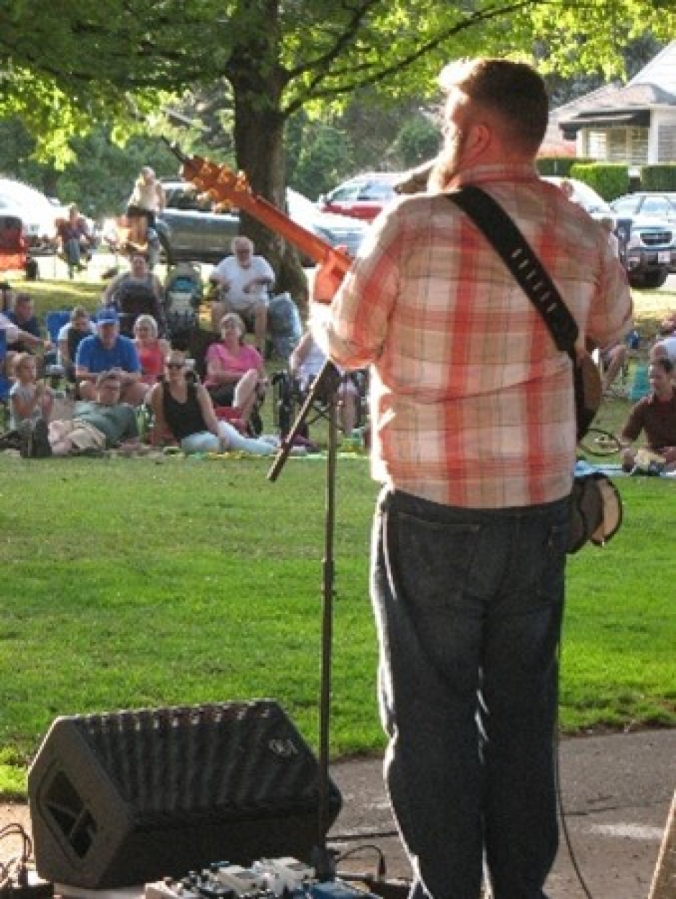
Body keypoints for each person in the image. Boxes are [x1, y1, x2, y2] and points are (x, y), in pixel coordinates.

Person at [311, 57, 633, 899]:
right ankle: (518, 891)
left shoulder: (410, 224)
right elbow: (611, 327)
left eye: (450, 119)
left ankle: (446, 889)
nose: (442, 133)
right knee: (523, 720)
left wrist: (322, 298)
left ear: (478, 131)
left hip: (429, 511)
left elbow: (347, 343)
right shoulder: (580, 229)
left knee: (429, 719)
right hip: (534, 512)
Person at [148, 349, 275, 456]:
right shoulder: (159, 391)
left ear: (185, 369)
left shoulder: (198, 389)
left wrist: (220, 433)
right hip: (188, 437)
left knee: (238, 442)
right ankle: (267, 444)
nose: (173, 370)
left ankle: (278, 450)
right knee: (214, 445)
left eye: (178, 366)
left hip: (211, 428)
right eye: (170, 366)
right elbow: (159, 421)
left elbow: (211, 419)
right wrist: (155, 446)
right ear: (164, 368)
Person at [19, 370, 140, 458]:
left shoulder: (125, 410)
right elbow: (57, 412)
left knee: (73, 437)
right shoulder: (83, 404)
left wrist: (127, 448)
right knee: (56, 425)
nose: (113, 392)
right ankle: (41, 444)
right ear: (97, 388)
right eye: (108, 388)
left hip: (96, 432)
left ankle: (47, 451)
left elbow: (134, 441)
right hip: (74, 423)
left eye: (116, 389)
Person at [208, 236, 274, 353]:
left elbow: (269, 277)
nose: (243, 255)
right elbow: (213, 275)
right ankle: (220, 344)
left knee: (261, 308)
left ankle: (258, 347)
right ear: (235, 252)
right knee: (216, 307)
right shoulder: (228, 262)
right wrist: (222, 282)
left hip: (252, 305)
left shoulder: (259, 261)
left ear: (251, 251)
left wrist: (254, 281)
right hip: (231, 304)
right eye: (240, 252)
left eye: (246, 251)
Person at [288, 328, 359, 435]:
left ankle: (348, 436)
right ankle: (299, 432)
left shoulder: (346, 336)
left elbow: (354, 360)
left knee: (348, 393)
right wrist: (295, 369)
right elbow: (296, 355)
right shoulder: (314, 333)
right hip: (312, 377)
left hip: (338, 377)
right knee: (318, 383)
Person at [204, 312, 266, 427]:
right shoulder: (215, 349)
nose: (228, 330)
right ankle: (238, 416)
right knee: (252, 378)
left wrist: (260, 383)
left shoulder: (251, 351)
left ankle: (239, 422)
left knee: (253, 386)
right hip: (218, 388)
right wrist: (244, 377)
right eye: (225, 327)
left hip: (247, 388)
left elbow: (263, 377)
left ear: (241, 331)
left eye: (232, 326)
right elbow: (215, 374)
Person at [75, 308, 147, 405]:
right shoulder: (86, 344)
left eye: (111, 326)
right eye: (104, 327)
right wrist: (103, 376)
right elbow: (79, 373)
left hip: (121, 386)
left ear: (118, 328)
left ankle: (122, 413)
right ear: (97, 328)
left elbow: (137, 374)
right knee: (84, 386)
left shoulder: (128, 344)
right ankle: (101, 410)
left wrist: (124, 376)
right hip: (98, 386)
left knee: (142, 388)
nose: (108, 331)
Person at [620, 357, 676, 472]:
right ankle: (656, 468)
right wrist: (626, 451)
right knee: (634, 459)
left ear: (670, 375)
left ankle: (658, 469)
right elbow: (626, 437)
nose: (653, 381)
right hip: (654, 455)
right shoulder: (643, 406)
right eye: (651, 377)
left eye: (658, 377)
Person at [101, 253, 167, 337]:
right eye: (135, 262)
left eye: (140, 262)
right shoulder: (121, 278)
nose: (137, 265)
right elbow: (107, 294)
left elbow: (157, 300)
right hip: (124, 313)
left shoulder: (153, 279)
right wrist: (108, 306)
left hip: (146, 313)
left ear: (146, 264)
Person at [9, 353, 54, 430]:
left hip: (38, 427)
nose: (31, 371)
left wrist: (50, 399)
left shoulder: (34, 387)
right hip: (23, 430)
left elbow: (44, 412)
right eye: (26, 368)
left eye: (33, 368)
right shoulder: (16, 391)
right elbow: (24, 415)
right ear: (17, 372)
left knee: (57, 426)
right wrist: (36, 396)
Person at [125, 166, 165, 249]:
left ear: (152, 176)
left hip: (148, 211)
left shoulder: (157, 185)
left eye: (148, 177)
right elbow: (135, 197)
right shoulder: (139, 183)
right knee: (134, 227)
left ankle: (144, 245)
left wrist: (160, 210)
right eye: (144, 177)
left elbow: (162, 199)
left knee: (146, 228)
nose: (147, 180)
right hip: (135, 208)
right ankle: (134, 244)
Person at [57, 306, 97, 383]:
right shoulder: (64, 331)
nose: (81, 328)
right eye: (77, 324)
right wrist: (77, 367)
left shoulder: (95, 329)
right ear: (71, 322)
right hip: (70, 363)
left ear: (89, 321)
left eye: (84, 324)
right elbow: (65, 356)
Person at [56, 205, 93, 279]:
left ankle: (74, 267)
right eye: (72, 214)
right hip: (66, 246)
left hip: (78, 247)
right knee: (73, 241)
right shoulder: (63, 225)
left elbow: (87, 236)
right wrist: (57, 245)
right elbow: (57, 236)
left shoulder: (80, 225)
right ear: (69, 215)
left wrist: (92, 239)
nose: (73, 216)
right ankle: (77, 264)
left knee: (75, 242)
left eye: (75, 214)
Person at [133, 314, 171, 386]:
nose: (142, 332)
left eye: (145, 329)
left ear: (153, 330)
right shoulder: (131, 345)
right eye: (139, 329)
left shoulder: (162, 344)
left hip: (156, 384)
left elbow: (169, 367)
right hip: (136, 385)